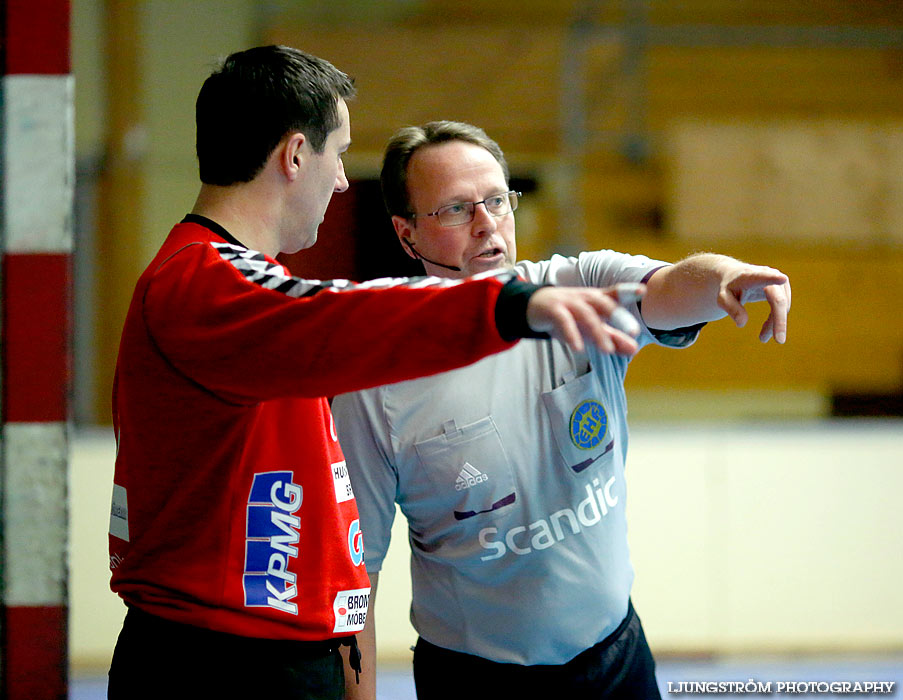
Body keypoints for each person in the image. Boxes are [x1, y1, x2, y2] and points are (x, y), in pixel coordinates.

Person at [106, 49, 644, 700]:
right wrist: (508, 304)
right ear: (295, 155)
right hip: (224, 664)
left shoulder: (233, 287)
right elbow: (340, 318)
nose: (339, 183)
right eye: (338, 154)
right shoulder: (204, 284)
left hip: (260, 653)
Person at [332, 120, 792, 699]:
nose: (486, 226)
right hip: (477, 682)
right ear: (407, 236)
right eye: (454, 210)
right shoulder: (375, 384)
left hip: (618, 660)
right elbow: (354, 580)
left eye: (497, 201)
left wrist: (725, 275)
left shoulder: (577, 288)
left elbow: (671, 288)